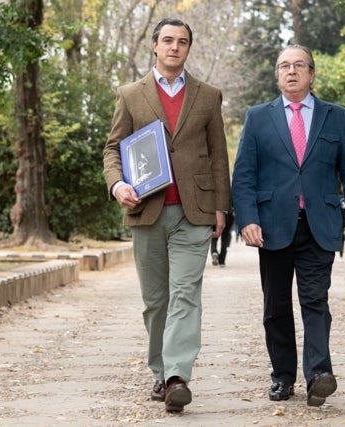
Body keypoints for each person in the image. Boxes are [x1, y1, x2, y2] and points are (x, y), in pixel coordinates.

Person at [102, 18, 231, 413]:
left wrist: (221, 207)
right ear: (155, 46)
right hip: (147, 210)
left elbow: (219, 154)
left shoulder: (208, 96)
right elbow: (113, 150)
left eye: (183, 42)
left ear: (189, 48)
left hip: (194, 211)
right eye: (168, 41)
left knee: (185, 294)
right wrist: (116, 184)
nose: (175, 47)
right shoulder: (130, 94)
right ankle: (160, 370)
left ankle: (178, 376)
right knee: (156, 300)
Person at [231, 44, 345, 407]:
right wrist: (246, 219)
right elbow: (243, 174)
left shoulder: (335, 116)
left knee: (315, 301)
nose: (290, 71)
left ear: (311, 73)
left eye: (298, 65)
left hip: (319, 224)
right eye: (283, 66)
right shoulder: (258, 117)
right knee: (276, 306)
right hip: (273, 226)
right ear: (277, 75)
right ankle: (282, 377)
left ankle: (319, 375)